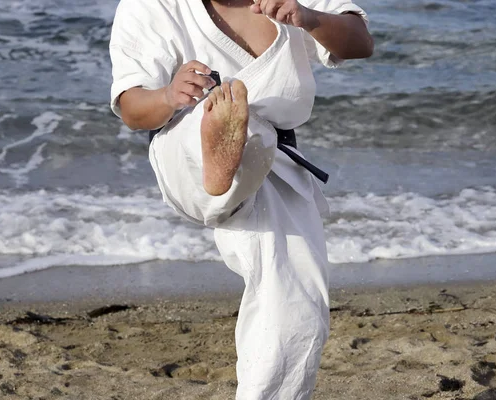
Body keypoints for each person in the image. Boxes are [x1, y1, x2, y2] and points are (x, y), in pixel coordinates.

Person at [109, 0, 373, 398]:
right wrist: (168, 95)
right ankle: (222, 146)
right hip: (185, 150)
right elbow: (132, 110)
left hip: (273, 163)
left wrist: (310, 18)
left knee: (295, 305)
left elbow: (360, 43)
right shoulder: (151, 5)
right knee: (219, 117)